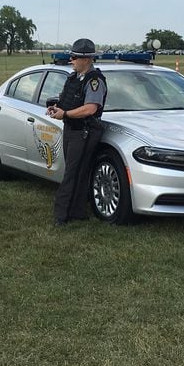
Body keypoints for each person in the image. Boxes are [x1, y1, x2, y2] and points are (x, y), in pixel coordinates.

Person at [46, 38, 107, 226]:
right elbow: (70, 102)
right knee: (76, 172)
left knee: (73, 173)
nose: (71, 60)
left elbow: (90, 108)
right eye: (71, 56)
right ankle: (77, 211)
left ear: (87, 59)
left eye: (75, 57)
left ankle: (61, 215)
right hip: (72, 129)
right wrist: (57, 108)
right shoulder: (74, 78)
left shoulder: (94, 81)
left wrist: (66, 113)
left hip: (84, 131)